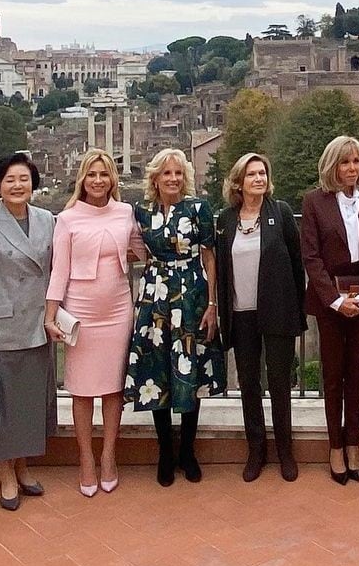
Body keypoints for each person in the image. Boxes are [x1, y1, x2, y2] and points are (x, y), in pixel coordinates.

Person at [125, 148, 226, 487]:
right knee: (158, 372)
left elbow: (210, 256)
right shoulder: (141, 212)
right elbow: (132, 249)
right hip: (155, 298)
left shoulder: (198, 208)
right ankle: (165, 452)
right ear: (155, 178)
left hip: (192, 295)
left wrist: (212, 303)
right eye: (166, 173)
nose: (173, 179)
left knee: (190, 369)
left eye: (178, 173)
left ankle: (188, 451)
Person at [46, 149, 143, 497]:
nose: (98, 180)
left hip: (117, 309)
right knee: (83, 390)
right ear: (82, 179)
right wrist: (50, 315)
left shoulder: (126, 212)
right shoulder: (67, 218)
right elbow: (59, 270)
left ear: (112, 178)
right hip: (81, 312)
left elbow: (143, 250)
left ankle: (108, 457)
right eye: (92, 174)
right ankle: (86, 458)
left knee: (113, 388)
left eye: (104, 174)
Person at [0, 154, 57, 511]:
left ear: (33, 183)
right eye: (10, 180)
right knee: (4, 405)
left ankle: (22, 467)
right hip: (4, 326)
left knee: (30, 404)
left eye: (24, 179)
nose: (18, 185)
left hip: (39, 322)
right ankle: (5, 472)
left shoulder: (47, 219)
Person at [216, 153, 305, 482]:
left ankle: (285, 451)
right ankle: (256, 450)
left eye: (262, 173)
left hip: (278, 311)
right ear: (239, 182)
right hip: (241, 314)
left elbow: (296, 263)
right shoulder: (226, 220)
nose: (259, 179)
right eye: (252, 174)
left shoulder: (280, 213)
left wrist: (298, 311)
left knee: (280, 383)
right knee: (249, 383)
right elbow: (221, 269)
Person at [301, 136, 359, 484]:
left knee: (356, 375)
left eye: (356, 161)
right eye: (344, 162)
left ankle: (353, 444)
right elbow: (311, 256)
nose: (351, 168)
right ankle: (335, 446)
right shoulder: (314, 202)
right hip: (330, 302)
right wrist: (335, 300)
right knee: (333, 376)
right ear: (332, 166)